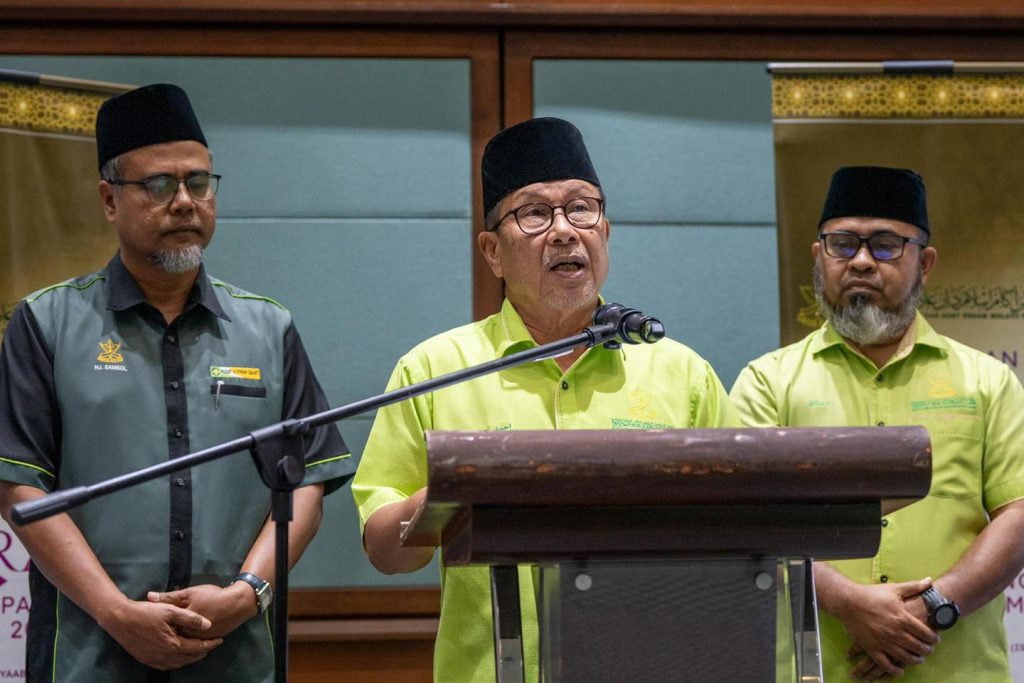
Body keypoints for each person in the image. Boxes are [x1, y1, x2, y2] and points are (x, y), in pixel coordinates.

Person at [352, 117, 737, 682]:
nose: (563, 231)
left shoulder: (684, 374)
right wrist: (447, 495)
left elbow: (737, 537)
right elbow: (387, 552)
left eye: (582, 209)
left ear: (606, 232)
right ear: (493, 251)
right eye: (534, 213)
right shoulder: (434, 370)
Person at [0, 83, 353, 681]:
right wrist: (116, 613)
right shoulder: (46, 323)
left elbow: (308, 483)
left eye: (199, 182)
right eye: (159, 185)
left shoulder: (269, 328)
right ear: (110, 200)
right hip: (88, 656)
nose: (185, 202)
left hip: (235, 655)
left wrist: (247, 594)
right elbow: (19, 489)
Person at [731, 165, 1024, 682]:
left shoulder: (988, 381)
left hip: (957, 670)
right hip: (814, 669)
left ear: (925, 263)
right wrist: (848, 602)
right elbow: (746, 518)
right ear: (818, 257)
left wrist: (931, 608)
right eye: (842, 244)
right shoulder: (767, 383)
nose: (862, 261)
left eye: (886, 246)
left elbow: (1018, 514)